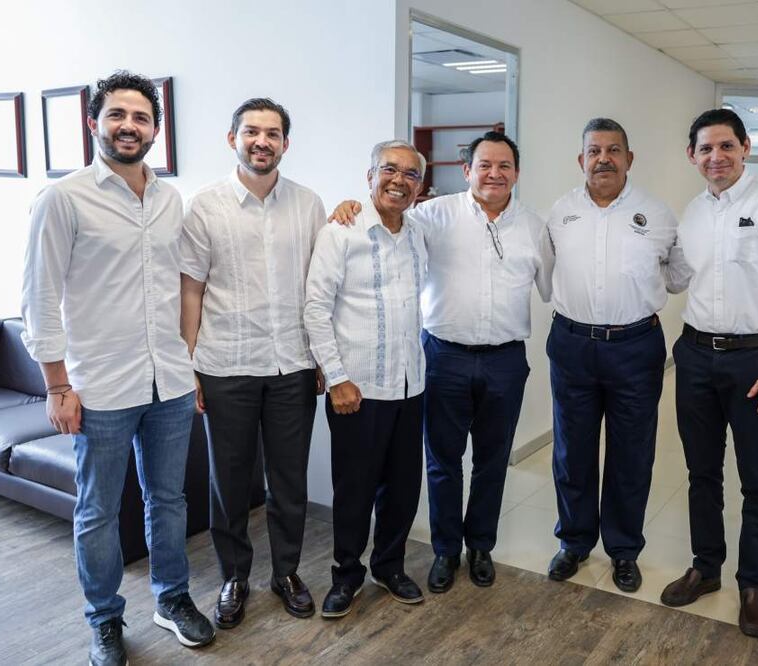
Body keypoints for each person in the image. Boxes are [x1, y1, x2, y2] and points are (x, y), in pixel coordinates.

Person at [20, 71, 214, 666]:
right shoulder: (63, 198)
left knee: (170, 500)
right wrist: (57, 384)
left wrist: (190, 360)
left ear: (156, 129)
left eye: (141, 117)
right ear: (95, 123)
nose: (129, 126)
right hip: (100, 386)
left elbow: (181, 287)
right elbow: (38, 296)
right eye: (117, 115)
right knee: (98, 511)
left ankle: (172, 598)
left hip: (170, 383)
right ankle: (104, 621)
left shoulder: (169, 198)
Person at [328, 131, 550, 594]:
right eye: (484, 165)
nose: (494, 173)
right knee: (442, 461)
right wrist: (351, 204)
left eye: (504, 165)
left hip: (506, 361)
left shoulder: (533, 227)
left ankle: (481, 546)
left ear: (517, 173)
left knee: (493, 461)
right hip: (443, 356)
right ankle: (447, 549)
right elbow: (387, 214)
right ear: (467, 171)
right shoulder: (431, 215)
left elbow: (551, 287)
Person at [659, 108, 758, 638]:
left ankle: (753, 585)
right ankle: (706, 567)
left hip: (756, 359)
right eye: (705, 149)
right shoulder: (692, 213)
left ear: (745, 147)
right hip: (697, 356)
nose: (716, 157)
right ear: (692, 156)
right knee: (702, 472)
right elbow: (680, 278)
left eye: (725, 146)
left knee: (757, 476)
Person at [180, 98, 325, 629]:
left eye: (272, 133)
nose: (261, 141)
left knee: (288, 481)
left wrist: (323, 357)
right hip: (225, 366)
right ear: (232, 139)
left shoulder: (309, 205)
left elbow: (319, 287)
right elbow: (191, 290)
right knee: (231, 482)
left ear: (285, 143)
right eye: (251, 132)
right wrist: (188, 365)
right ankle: (233, 576)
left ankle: (286, 573)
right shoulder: (204, 206)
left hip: (292, 365)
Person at [544, 118, 679, 593]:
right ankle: (575, 542)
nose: (603, 158)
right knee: (571, 451)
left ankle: (623, 550)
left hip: (636, 347)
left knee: (631, 453)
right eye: (594, 150)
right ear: (581, 160)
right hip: (572, 345)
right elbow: (545, 278)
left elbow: (678, 275)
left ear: (629, 158)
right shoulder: (559, 213)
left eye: (613, 150)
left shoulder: (658, 214)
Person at [303, 140, 429, 619]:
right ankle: (347, 575)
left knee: (402, 486)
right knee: (354, 488)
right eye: (389, 171)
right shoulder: (341, 231)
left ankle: (390, 567)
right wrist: (336, 378)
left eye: (410, 175)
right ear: (369, 175)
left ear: (421, 185)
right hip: (357, 388)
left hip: (409, 384)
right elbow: (315, 308)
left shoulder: (418, 233)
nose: (399, 181)